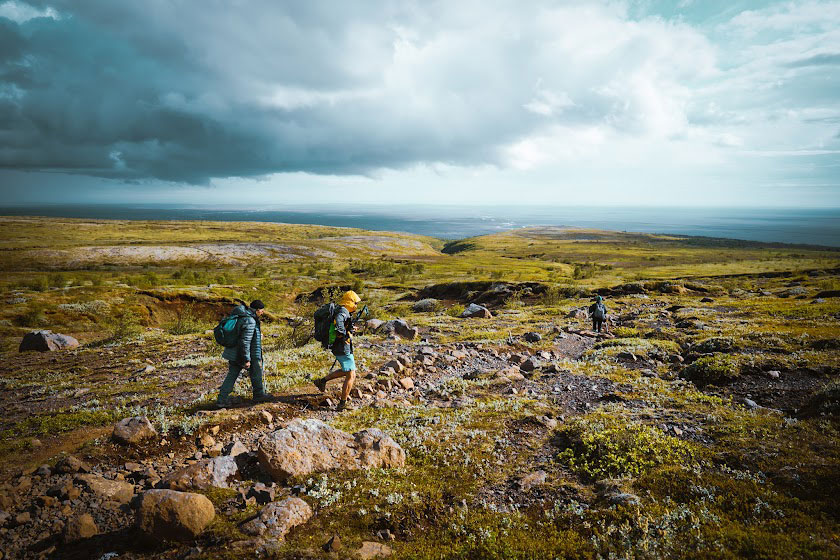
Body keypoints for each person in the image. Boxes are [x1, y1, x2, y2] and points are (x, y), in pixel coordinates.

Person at [217, 300, 273, 408]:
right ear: (256, 310)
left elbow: (246, 336)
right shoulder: (250, 320)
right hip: (243, 354)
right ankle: (223, 400)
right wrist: (246, 359)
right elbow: (245, 342)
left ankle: (222, 399)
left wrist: (257, 335)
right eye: (261, 310)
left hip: (238, 352)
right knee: (239, 374)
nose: (263, 312)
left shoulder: (244, 317)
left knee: (245, 373)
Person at [313, 290, 361, 411]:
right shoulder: (343, 312)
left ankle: (322, 381)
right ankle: (342, 404)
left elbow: (340, 325)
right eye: (355, 303)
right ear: (350, 302)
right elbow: (339, 325)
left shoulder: (342, 311)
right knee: (351, 374)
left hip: (340, 346)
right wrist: (345, 334)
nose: (356, 305)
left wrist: (349, 328)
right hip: (341, 347)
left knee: (347, 371)